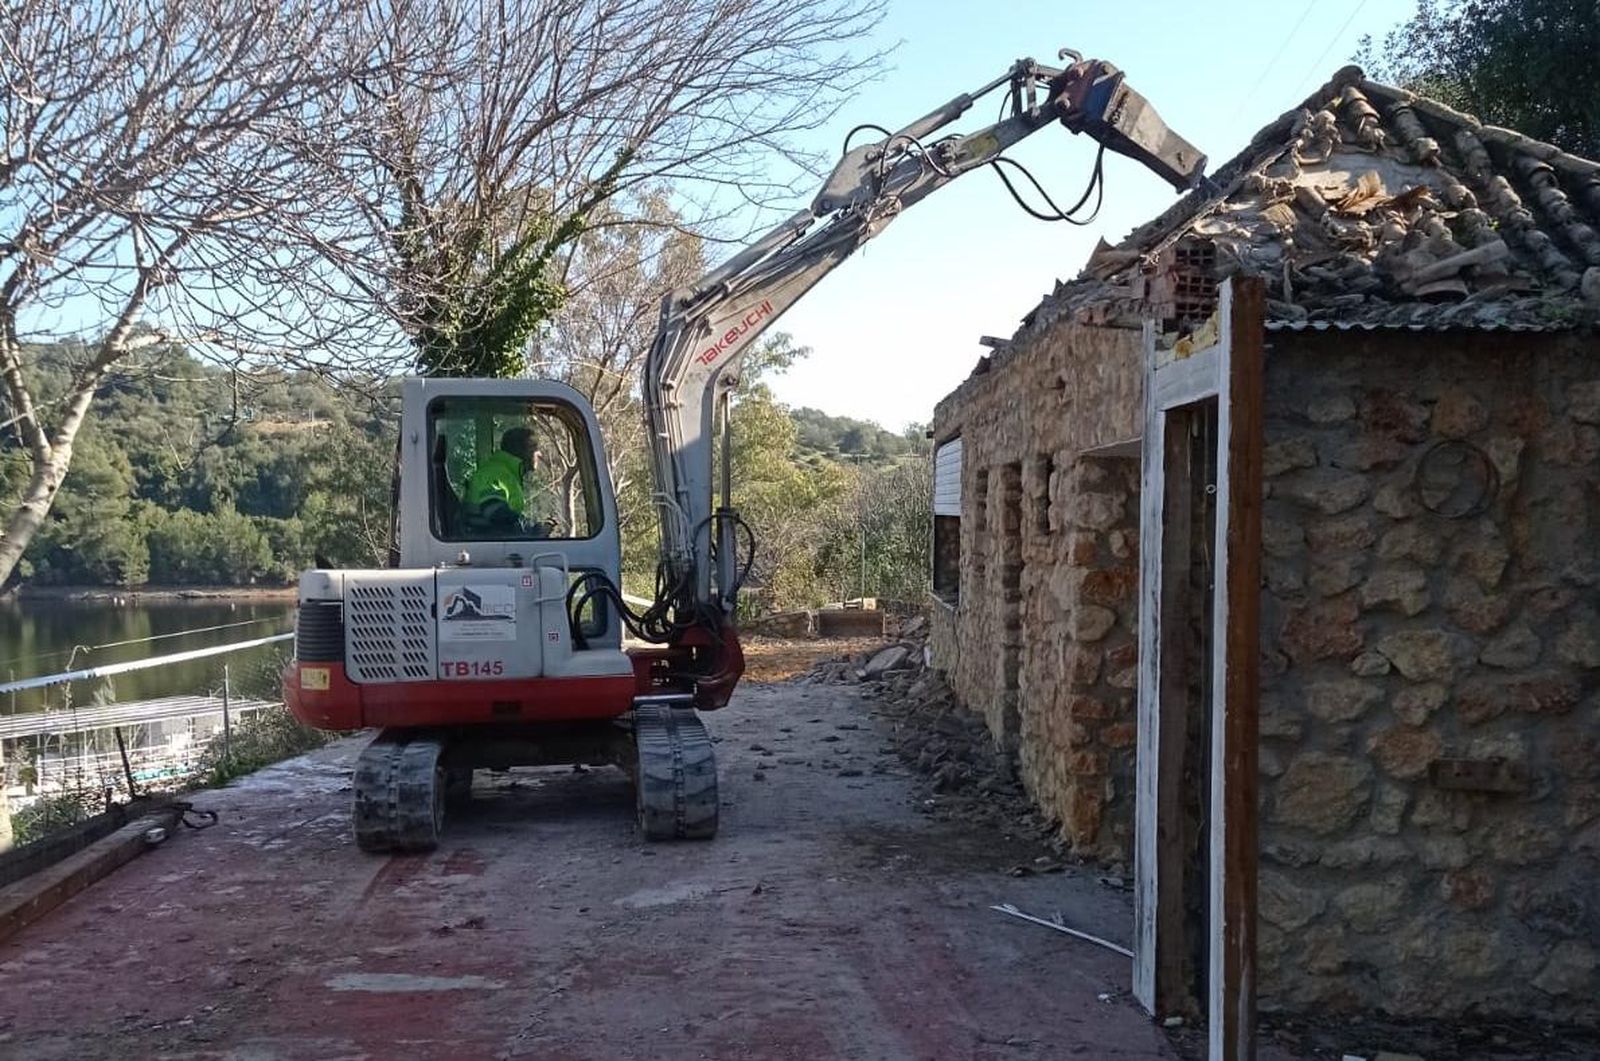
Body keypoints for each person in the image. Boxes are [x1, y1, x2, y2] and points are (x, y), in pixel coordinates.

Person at [465, 427, 537, 525]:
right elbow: (498, 517)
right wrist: (532, 531)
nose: (539, 454)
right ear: (518, 450)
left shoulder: (509, 474)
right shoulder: (493, 474)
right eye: (533, 448)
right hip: (485, 538)